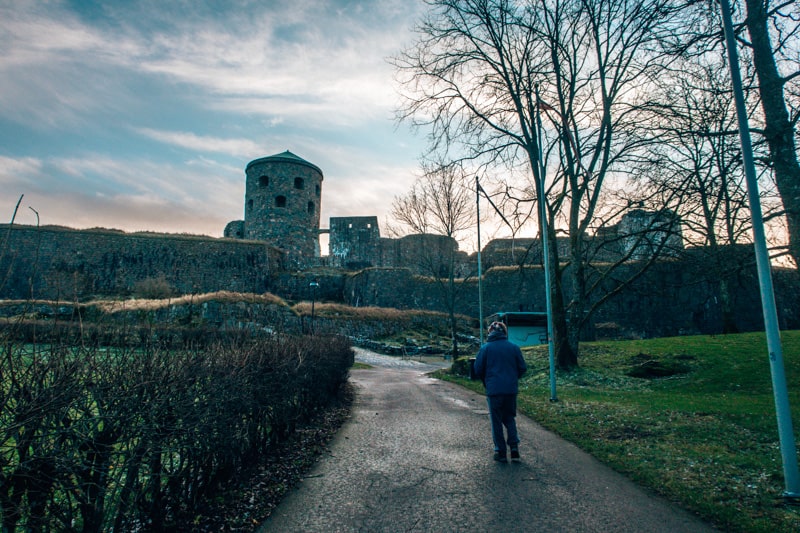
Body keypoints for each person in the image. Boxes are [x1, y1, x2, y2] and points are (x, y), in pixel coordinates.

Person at [473, 321, 527, 462]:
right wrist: (513, 378)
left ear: (490, 332)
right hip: (510, 390)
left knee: (496, 421)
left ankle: (500, 452)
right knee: (509, 418)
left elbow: (477, 369)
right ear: (504, 332)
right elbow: (522, 368)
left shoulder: (486, 348)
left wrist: (487, 381)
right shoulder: (514, 348)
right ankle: (514, 447)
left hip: (494, 390)